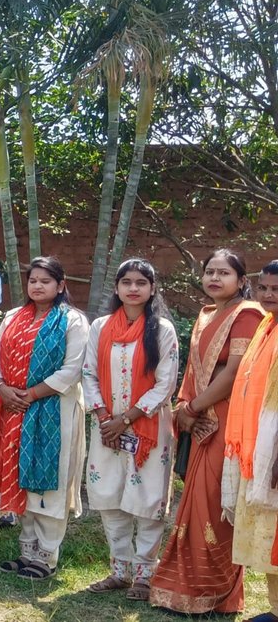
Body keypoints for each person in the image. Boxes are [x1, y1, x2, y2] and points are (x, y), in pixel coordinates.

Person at [150, 249, 264, 614]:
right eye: (210, 272)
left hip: (229, 420)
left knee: (217, 502)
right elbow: (193, 371)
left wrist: (193, 408)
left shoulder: (247, 314)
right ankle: (184, 586)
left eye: (224, 273)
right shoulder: (206, 314)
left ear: (241, 281)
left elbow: (234, 373)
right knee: (195, 500)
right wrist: (184, 408)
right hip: (199, 420)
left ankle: (217, 592)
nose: (215, 278)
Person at [0, 257, 90, 581]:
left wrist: (30, 394)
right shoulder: (13, 317)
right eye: (33, 281)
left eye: (45, 280)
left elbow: (72, 370)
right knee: (21, 479)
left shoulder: (73, 321)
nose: (38, 286)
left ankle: (47, 556)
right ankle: (26, 552)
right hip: (12, 410)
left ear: (61, 285)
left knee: (49, 483)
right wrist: (2, 388)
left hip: (53, 411)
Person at [80, 259, 179, 598]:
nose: (133, 288)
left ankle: (145, 576)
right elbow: (88, 373)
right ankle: (119, 571)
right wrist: (104, 417)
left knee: (148, 500)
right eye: (127, 282)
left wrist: (125, 419)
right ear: (118, 287)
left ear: (152, 289)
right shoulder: (101, 326)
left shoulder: (162, 329)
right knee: (110, 496)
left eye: (141, 282)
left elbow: (166, 383)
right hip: (106, 427)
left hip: (148, 428)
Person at [231, 261, 278, 622]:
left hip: (275, 450)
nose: (267, 295)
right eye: (262, 288)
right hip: (260, 447)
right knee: (266, 534)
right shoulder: (266, 326)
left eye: (276, 289)